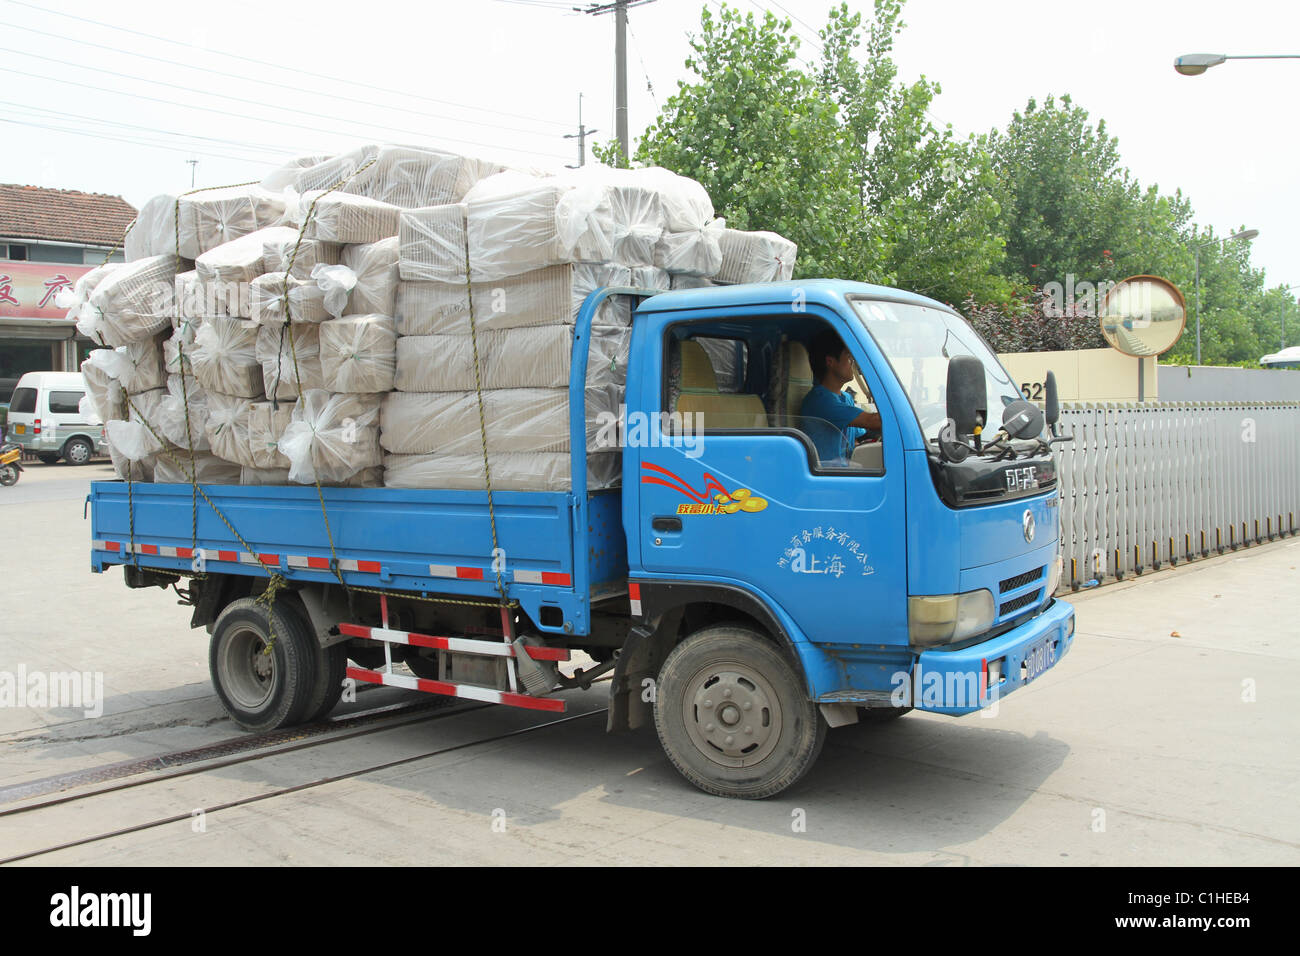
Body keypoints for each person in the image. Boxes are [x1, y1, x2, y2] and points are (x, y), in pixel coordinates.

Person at [799, 329, 882, 464]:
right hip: (827, 474)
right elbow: (873, 421)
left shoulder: (846, 398)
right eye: (849, 358)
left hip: (845, 469)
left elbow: (856, 437)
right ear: (830, 362)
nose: (852, 364)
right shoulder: (820, 401)